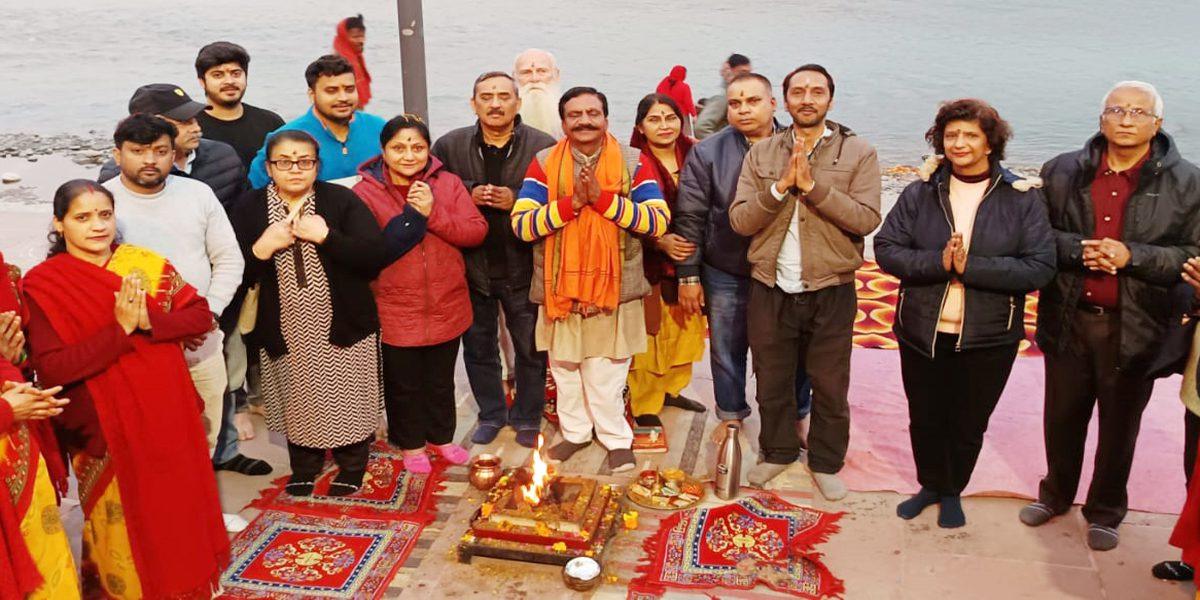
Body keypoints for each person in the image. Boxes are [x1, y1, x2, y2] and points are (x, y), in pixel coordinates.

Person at [24, 180, 229, 598]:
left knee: (176, 514)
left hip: (166, 413)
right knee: (120, 530)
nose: (97, 225)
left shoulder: (145, 264)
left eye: (105, 215)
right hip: (103, 427)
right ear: (59, 223)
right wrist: (119, 331)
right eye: (82, 217)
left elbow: (199, 317)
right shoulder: (43, 284)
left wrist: (152, 322)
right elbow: (53, 367)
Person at [1020, 81, 1200, 551]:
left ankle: (1105, 511)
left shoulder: (1189, 183)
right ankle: (1055, 494)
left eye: (1138, 112)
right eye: (1117, 110)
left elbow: (1192, 253)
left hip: (1136, 322)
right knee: (1061, 416)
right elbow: (1035, 235)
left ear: (1157, 124)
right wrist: (1079, 250)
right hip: (1069, 314)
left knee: (1120, 426)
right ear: (1101, 118)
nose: (1126, 119)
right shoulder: (1062, 170)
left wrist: (1131, 256)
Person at [874, 99, 1056, 528]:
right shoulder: (921, 192)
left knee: (969, 420)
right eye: (951, 135)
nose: (959, 143)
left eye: (970, 135)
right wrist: (938, 263)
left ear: (990, 143)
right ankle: (929, 485)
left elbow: (1040, 266)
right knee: (925, 416)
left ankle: (952, 489)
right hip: (922, 328)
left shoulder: (1021, 198)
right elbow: (886, 248)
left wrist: (969, 267)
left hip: (989, 334)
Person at [101, 114, 265, 535]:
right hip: (137, 345)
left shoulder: (197, 193)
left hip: (201, 337)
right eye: (138, 152)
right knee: (149, 439)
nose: (150, 160)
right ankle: (150, 523)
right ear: (118, 154)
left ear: (173, 152)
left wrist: (209, 313)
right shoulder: (103, 203)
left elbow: (228, 258)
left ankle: (202, 513)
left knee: (205, 432)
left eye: (160, 151)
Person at [728, 64, 882, 499]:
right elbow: (740, 220)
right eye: (798, 92)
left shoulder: (859, 153)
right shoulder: (762, 153)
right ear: (785, 100)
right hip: (770, 283)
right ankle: (777, 451)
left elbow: (866, 219)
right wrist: (779, 188)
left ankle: (826, 461)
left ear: (830, 98)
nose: (807, 99)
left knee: (830, 384)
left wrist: (814, 189)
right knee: (771, 377)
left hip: (831, 286)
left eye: (817, 91)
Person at [512, 87, 670, 472]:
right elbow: (522, 225)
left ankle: (616, 438)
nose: (584, 120)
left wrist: (603, 201)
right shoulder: (545, 163)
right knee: (565, 371)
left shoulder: (633, 162)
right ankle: (576, 433)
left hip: (615, 289)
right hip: (559, 288)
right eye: (575, 114)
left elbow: (657, 221)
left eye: (592, 113)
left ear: (606, 119)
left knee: (606, 373)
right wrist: (573, 204)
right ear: (563, 122)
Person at [231, 130, 397, 496]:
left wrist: (327, 237)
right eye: (284, 162)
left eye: (304, 161)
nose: (295, 169)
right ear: (268, 168)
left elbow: (373, 256)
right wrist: (262, 248)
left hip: (343, 320)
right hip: (284, 323)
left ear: (317, 166)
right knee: (296, 397)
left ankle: (352, 466)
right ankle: (304, 467)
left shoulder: (340, 200)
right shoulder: (249, 207)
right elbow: (233, 271)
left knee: (348, 394)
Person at [675, 73, 818, 447]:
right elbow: (690, 216)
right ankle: (731, 415)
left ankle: (798, 414)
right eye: (735, 103)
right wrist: (689, 275)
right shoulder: (708, 152)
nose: (743, 110)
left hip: (786, 267)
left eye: (752, 101)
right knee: (727, 347)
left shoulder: (802, 146)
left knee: (795, 347)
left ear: (773, 103)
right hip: (727, 265)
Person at [354, 115, 487, 473]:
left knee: (441, 380)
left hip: (447, 301)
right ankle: (411, 444)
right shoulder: (365, 193)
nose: (409, 155)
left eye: (417, 147)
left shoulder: (448, 183)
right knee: (404, 383)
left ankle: (441, 438)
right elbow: (365, 250)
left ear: (429, 150)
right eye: (398, 148)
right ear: (383, 151)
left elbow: (475, 231)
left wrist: (434, 213)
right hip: (394, 304)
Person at [431, 72, 556, 448]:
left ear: (518, 102)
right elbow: (432, 189)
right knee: (478, 346)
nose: (496, 104)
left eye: (504, 96)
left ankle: (528, 417)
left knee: (530, 348)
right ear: (474, 104)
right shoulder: (450, 144)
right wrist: (469, 192)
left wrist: (516, 197)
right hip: (470, 266)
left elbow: (559, 197)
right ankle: (491, 413)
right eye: (486, 97)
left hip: (524, 263)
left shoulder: (542, 145)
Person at [626, 93, 707, 429]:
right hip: (648, 262)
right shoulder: (629, 162)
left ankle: (672, 389)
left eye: (670, 118)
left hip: (693, 257)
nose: (664, 126)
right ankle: (644, 402)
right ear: (640, 127)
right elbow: (622, 214)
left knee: (686, 329)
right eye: (654, 119)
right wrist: (658, 240)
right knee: (651, 333)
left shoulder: (698, 154)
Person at [0, 252, 78, 599]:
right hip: (10, 420)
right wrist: (6, 409)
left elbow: (19, 358)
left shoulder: (4, 274)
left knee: (44, 562)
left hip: (19, 445)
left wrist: (11, 360)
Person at [99, 84, 246, 209]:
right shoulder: (115, 175)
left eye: (195, 119)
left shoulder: (224, 157)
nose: (196, 128)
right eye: (184, 122)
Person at [249, 55, 386, 188]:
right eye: (332, 91)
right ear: (312, 94)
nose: (343, 97)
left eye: (349, 89)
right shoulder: (284, 139)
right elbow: (256, 192)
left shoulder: (379, 128)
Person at [195, 41, 286, 170]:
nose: (229, 81)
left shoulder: (271, 123)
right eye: (218, 75)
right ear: (202, 81)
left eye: (236, 73)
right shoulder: (191, 128)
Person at [694, 53, 752, 139]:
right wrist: (720, 145)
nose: (748, 77)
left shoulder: (734, 95)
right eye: (743, 72)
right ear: (731, 71)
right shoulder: (724, 98)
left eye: (749, 73)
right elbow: (701, 128)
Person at [513, 48, 563, 138]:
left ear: (556, 75)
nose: (534, 79)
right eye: (526, 72)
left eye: (542, 71)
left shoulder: (571, 120)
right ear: (514, 77)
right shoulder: (503, 121)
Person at [333, 14, 372, 109]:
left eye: (362, 36)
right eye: (355, 37)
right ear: (344, 37)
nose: (360, 41)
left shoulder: (355, 56)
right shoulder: (338, 61)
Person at [656, 66, 697, 137]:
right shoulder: (684, 87)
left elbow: (657, 94)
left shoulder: (664, 82)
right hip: (681, 115)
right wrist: (694, 115)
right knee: (684, 135)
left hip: (665, 113)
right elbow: (688, 103)